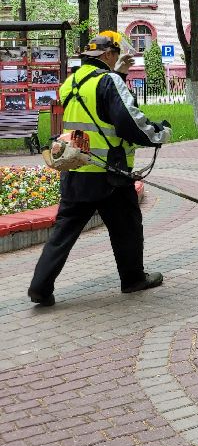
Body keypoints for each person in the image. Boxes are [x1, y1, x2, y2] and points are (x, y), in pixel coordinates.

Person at [28, 31, 172, 307]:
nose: (116, 59)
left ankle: (40, 287)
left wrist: (120, 76)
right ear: (108, 55)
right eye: (115, 54)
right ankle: (132, 280)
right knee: (127, 228)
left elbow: (93, 113)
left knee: (63, 232)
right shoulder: (109, 81)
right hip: (110, 174)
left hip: (76, 169)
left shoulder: (70, 83)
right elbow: (129, 122)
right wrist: (158, 134)